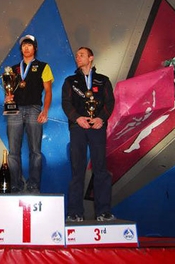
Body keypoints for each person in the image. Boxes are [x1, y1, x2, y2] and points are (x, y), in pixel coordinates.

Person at [61, 47, 115, 222]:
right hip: (78, 128)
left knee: (100, 169)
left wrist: (101, 118)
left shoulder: (102, 80)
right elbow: (66, 103)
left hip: (97, 127)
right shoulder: (70, 81)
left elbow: (110, 102)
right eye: (76, 55)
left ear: (91, 58)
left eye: (81, 55)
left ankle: (103, 212)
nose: (78, 57)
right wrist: (77, 119)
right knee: (78, 170)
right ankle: (75, 212)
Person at [5, 34, 54, 193]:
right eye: (24, 45)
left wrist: (45, 111)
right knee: (13, 151)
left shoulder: (43, 66)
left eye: (30, 45)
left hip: (34, 109)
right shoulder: (12, 69)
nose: (26, 48)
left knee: (35, 151)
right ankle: (16, 185)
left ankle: (33, 184)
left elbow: (48, 91)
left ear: (35, 48)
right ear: (21, 49)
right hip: (15, 110)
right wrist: (8, 97)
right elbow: (9, 91)